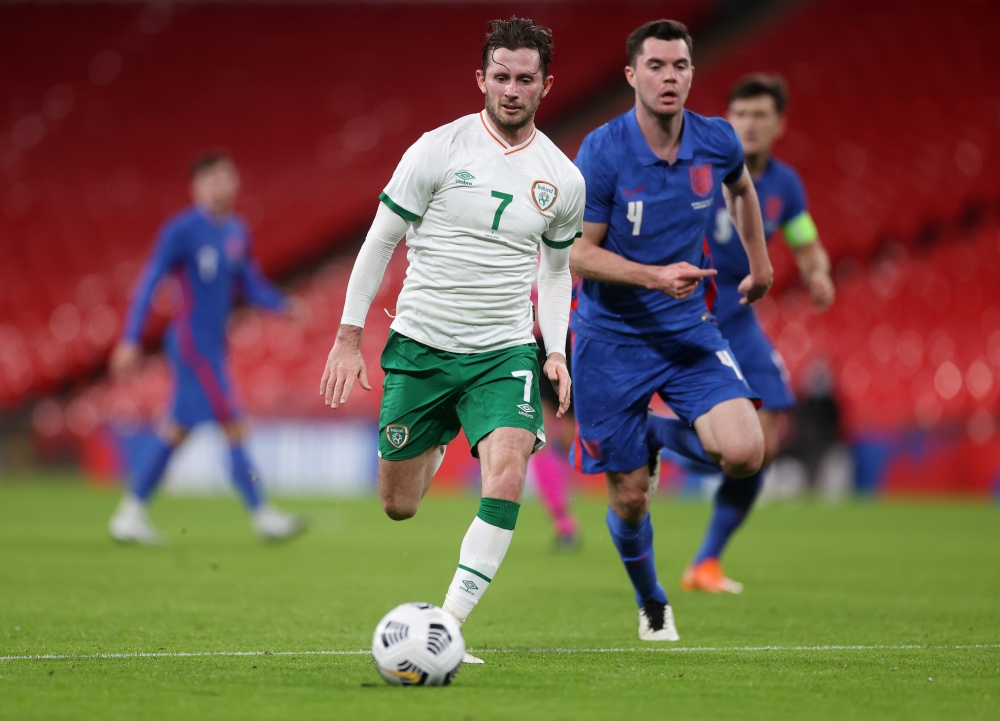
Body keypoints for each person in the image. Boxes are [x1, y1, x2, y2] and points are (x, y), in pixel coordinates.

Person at [319, 17, 583, 664]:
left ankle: (448, 626)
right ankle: (436, 441)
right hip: (422, 344)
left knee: (509, 469)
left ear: (546, 85)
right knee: (398, 504)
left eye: (525, 79)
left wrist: (554, 347)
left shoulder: (563, 178)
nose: (512, 90)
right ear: (482, 80)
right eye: (501, 77)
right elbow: (380, 240)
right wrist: (349, 336)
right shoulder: (437, 149)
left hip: (504, 351)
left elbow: (555, 271)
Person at [569, 20, 772, 641]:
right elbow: (576, 253)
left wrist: (760, 262)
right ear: (632, 74)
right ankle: (652, 600)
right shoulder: (603, 151)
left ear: (691, 73)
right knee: (630, 498)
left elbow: (742, 190)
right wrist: (654, 277)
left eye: (679, 66)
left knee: (745, 453)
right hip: (609, 339)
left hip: (687, 330)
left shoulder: (716, 140)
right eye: (655, 65)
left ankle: (653, 435)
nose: (669, 77)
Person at [673, 74, 834, 593]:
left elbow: (805, 239)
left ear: (779, 123)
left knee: (761, 445)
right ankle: (656, 438)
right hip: (688, 311)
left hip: (740, 317)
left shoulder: (785, 186)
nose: (749, 124)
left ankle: (706, 562)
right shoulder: (697, 168)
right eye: (741, 114)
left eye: (760, 115)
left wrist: (818, 273)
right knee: (729, 444)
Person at [107, 151, 305, 545]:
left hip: (214, 346)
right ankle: (263, 516)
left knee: (176, 431)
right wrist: (130, 338)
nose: (221, 186)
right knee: (234, 424)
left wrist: (283, 305)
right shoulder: (181, 230)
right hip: (191, 345)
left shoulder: (236, 231)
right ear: (195, 187)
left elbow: (249, 285)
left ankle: (129, 514)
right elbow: (150, 282)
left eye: (226, 178)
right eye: (212, 179)